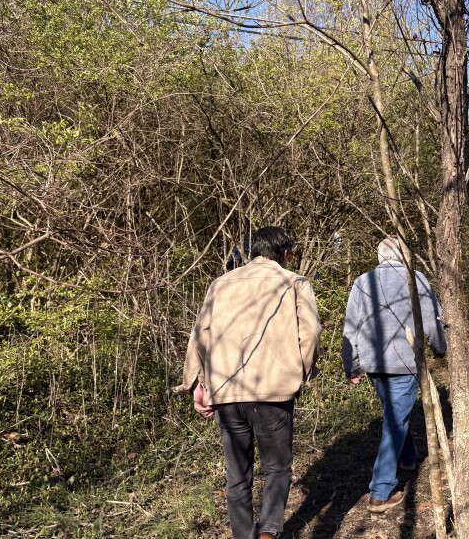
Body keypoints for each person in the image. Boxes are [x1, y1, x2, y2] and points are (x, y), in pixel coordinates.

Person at [175, 226, 321, 539]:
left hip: (226, 391)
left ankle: (243, 535)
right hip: (272, 391)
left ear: (253, 251)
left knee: (237, 477)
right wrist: (302, 373)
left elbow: (200, 335)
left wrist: (196, 384)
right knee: (277, 469)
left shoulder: (221, 284)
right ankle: (268, 531)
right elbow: (310, 333)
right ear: (284, 253)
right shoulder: (295, 282)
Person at [341, 237, 446, 513]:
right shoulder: (417, 280)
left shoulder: (362, 282)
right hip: (404, 363)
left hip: (373, 364)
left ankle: (408, 457)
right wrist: (440, 349)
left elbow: (350, 329)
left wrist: (352, 365)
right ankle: (380, 491)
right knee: (395, 420)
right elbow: (434, 321)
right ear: (403, 256)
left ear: (379, 256)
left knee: (394, 416)